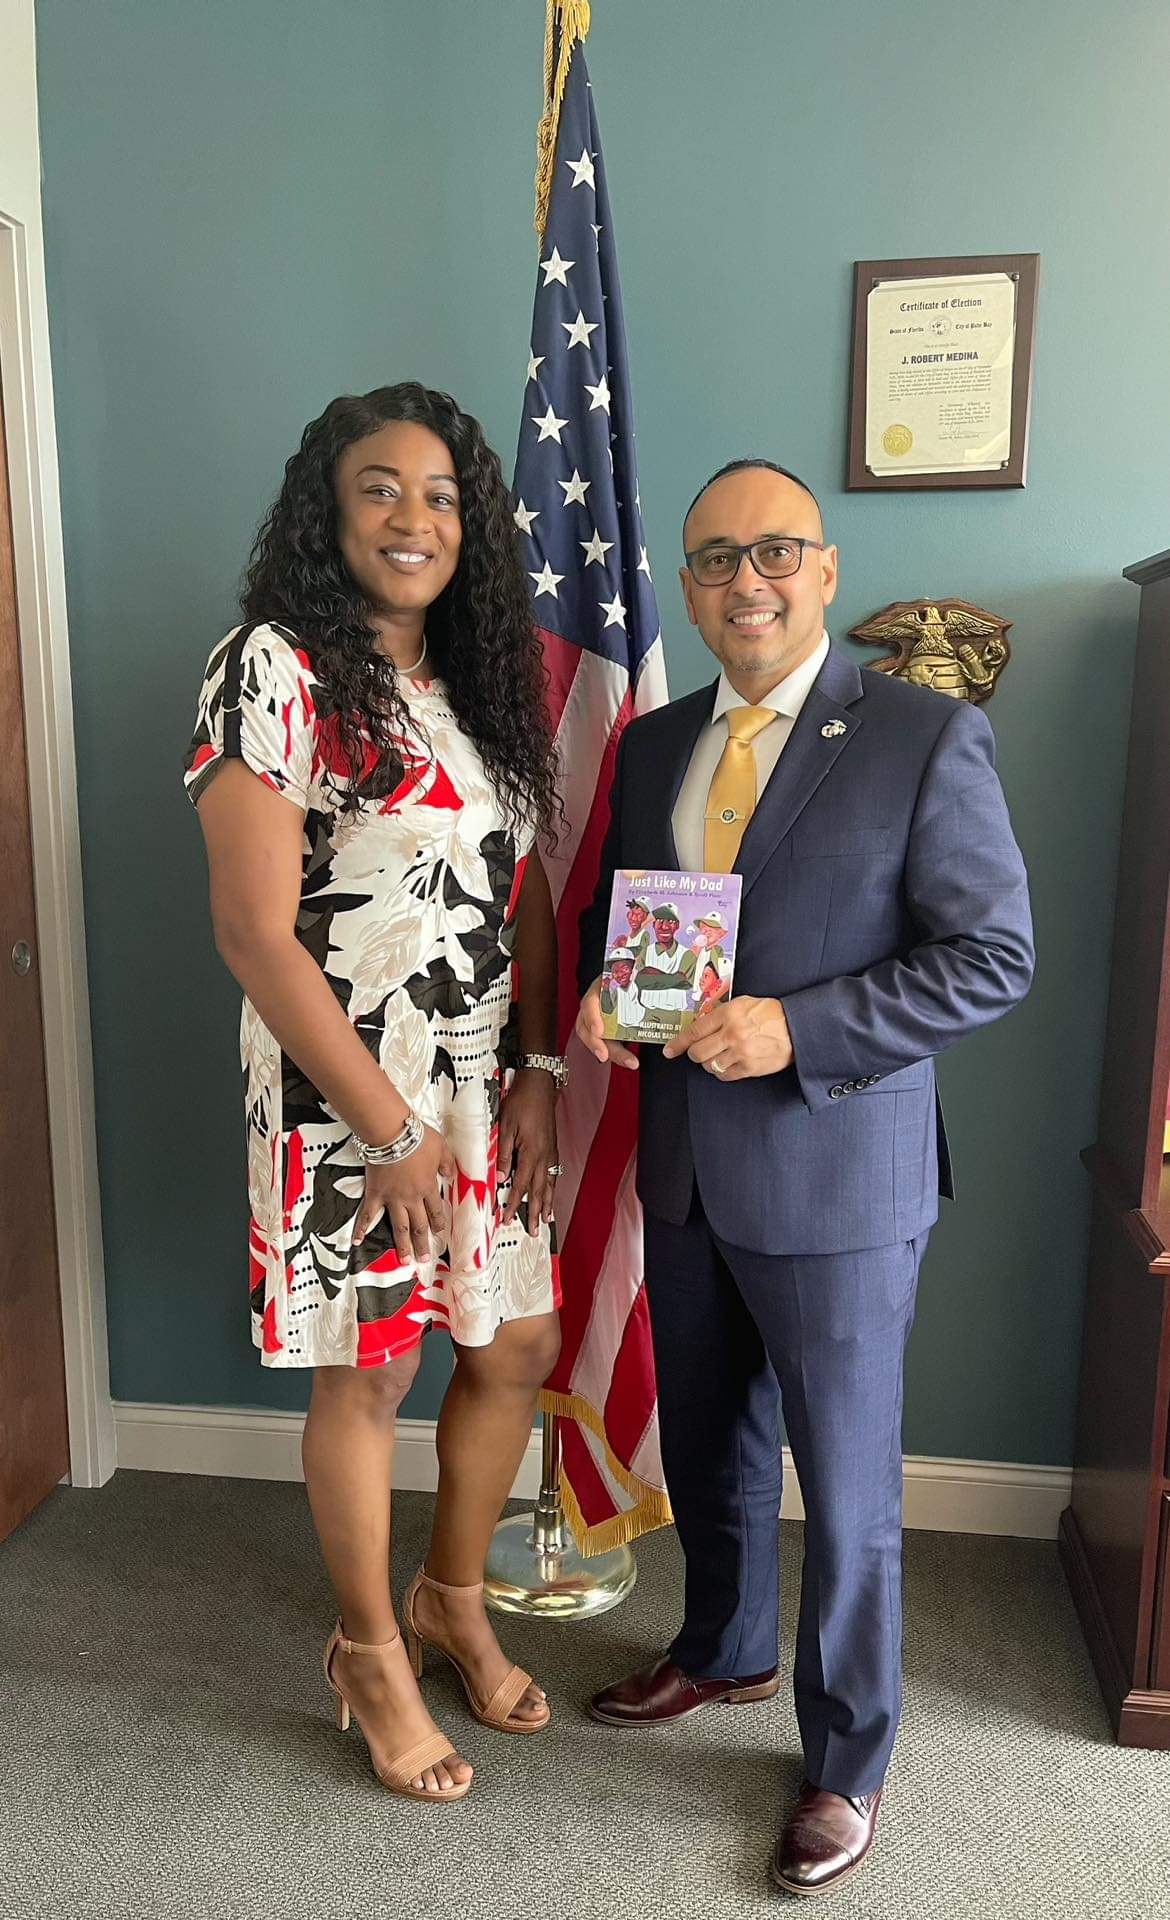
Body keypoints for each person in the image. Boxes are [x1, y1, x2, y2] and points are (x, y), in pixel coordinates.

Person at [574, 458, 1033, 1895]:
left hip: (836, 1171)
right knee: (709, 1436)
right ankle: (722, 1650)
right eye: (714, 560)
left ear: (824, 571)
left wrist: (799, 1025)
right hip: (686, 1165)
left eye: (774, 552)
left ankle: (845, 1761)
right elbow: (633, 926)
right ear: (688, 589)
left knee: (843, 1488)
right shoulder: (651, 745)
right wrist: (605, 996)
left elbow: (990, 959)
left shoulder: (919, 735)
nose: (743, 581)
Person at [184, 383, 570, 1806]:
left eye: (442, 497)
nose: (414, 519)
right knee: (373, 1373)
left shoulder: (480, 680)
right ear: (325, 509)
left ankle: (448, 1595)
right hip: (344, 1095)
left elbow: (517, 888)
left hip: (478, 1091)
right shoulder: (269, 667)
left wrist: (534, 1066)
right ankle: (365, 1650)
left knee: (513, 1346)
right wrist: (390, 1129)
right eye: (379, 488)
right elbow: (250, 932)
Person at [634, 903, 697, 1035]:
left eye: (671, 921)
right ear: (653, 924)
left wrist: (650, 974)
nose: (664, 926)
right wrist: (674, 979)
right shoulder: (645, 952)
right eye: (660, 921)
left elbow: (686, 983)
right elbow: (638, 981)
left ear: (677, 926)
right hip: (646, 1011)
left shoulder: (687, 954)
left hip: (673, 1016)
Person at [600, 947, 646, 1036]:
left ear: (632, 969)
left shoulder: (638, 985)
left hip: (639, 1028)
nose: (620, 974)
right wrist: (605, 989)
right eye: (615, 971)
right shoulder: (616, 991)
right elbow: (607, 1010)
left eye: (624, 968)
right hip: (621, 1029)